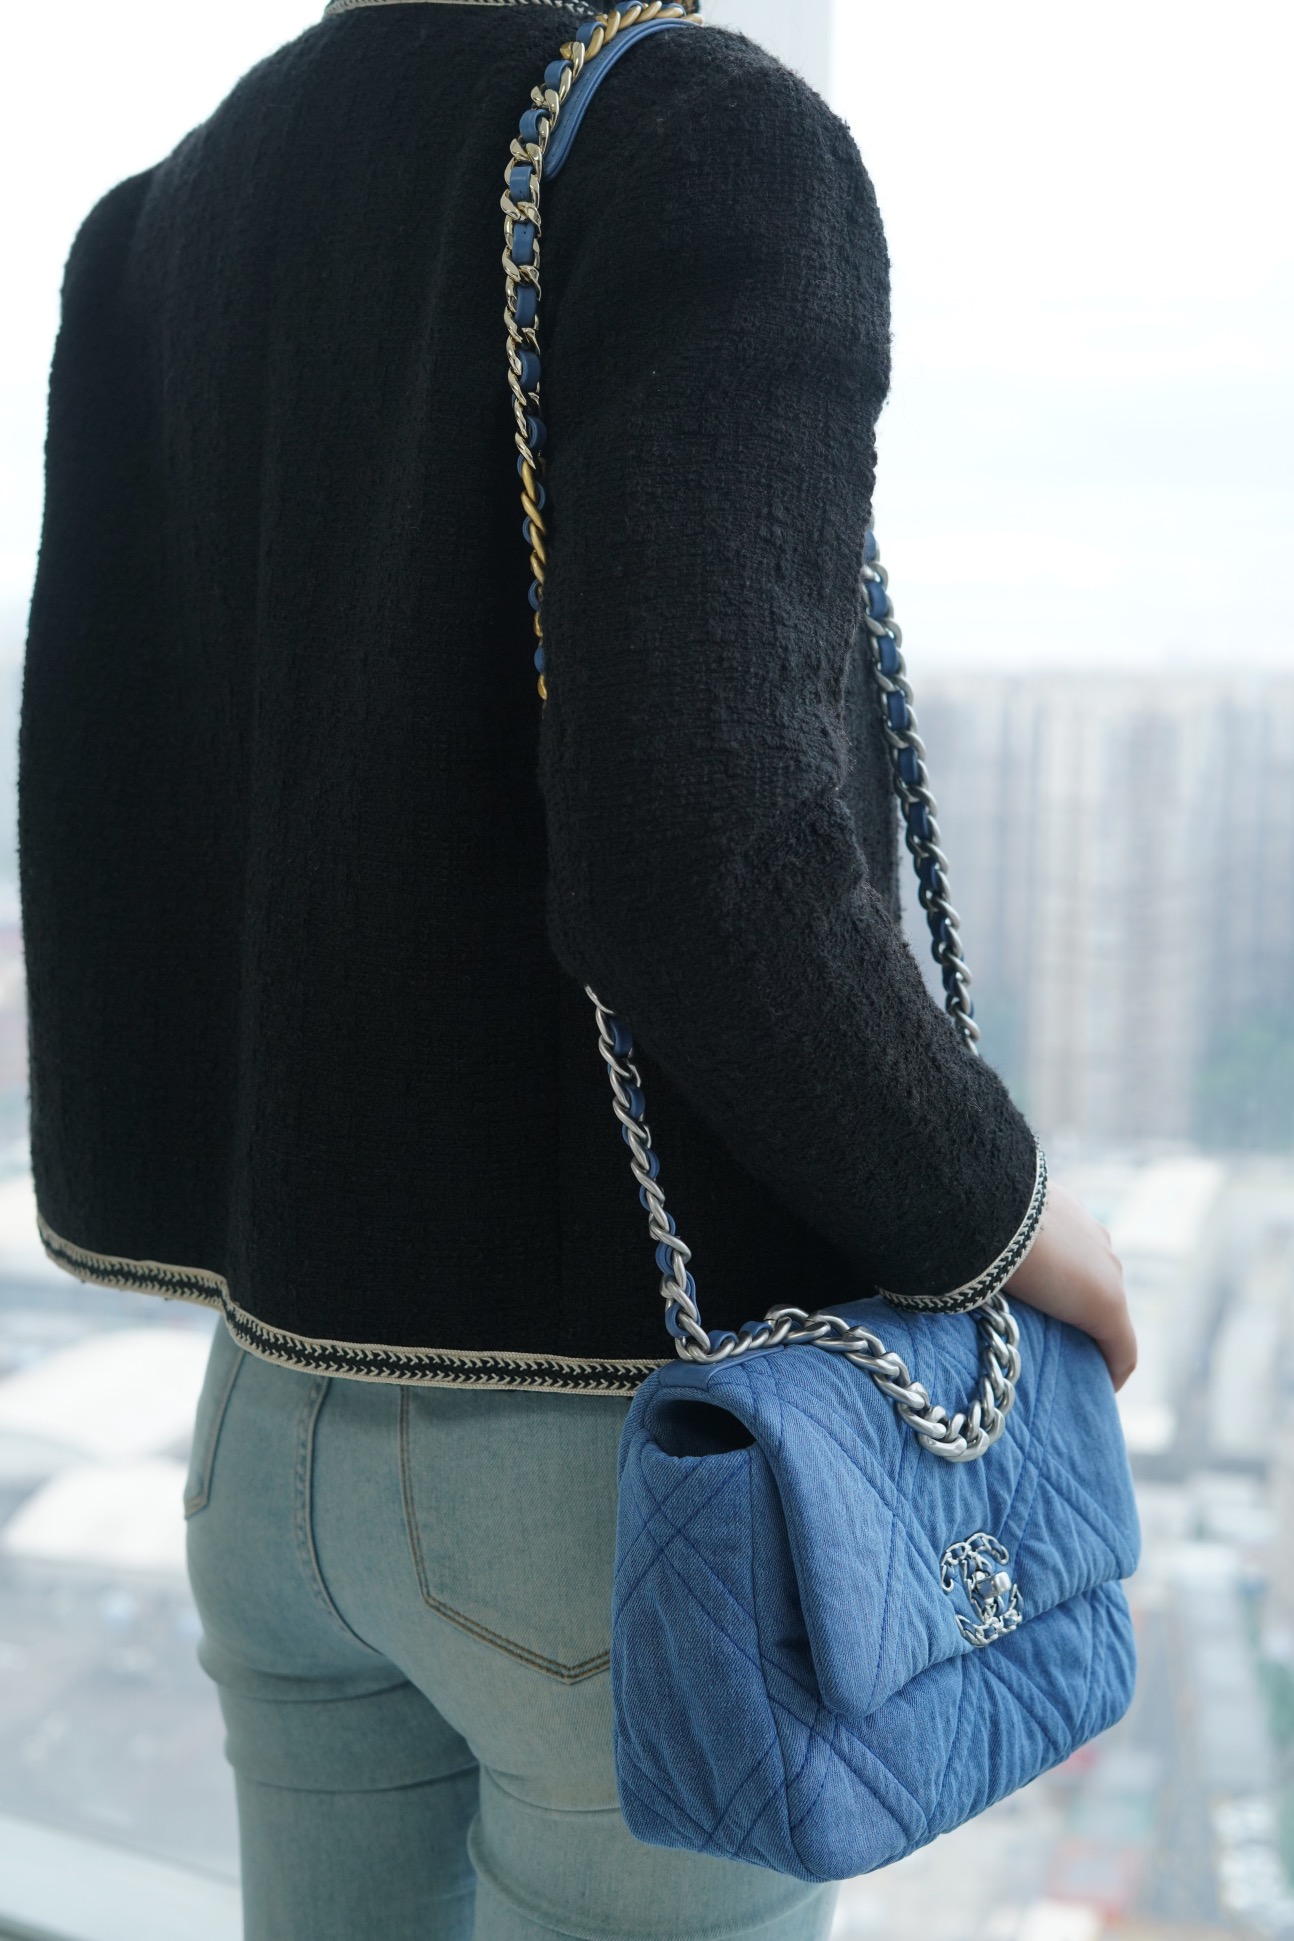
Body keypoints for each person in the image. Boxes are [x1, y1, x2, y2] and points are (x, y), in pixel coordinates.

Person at [19, 2, 1135, 1936]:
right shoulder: (698, 136)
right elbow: (705, 850)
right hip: (619, 1475)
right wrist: (1009, 1218)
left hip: (261, 1429)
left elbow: (106, 783)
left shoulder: (156, 223)